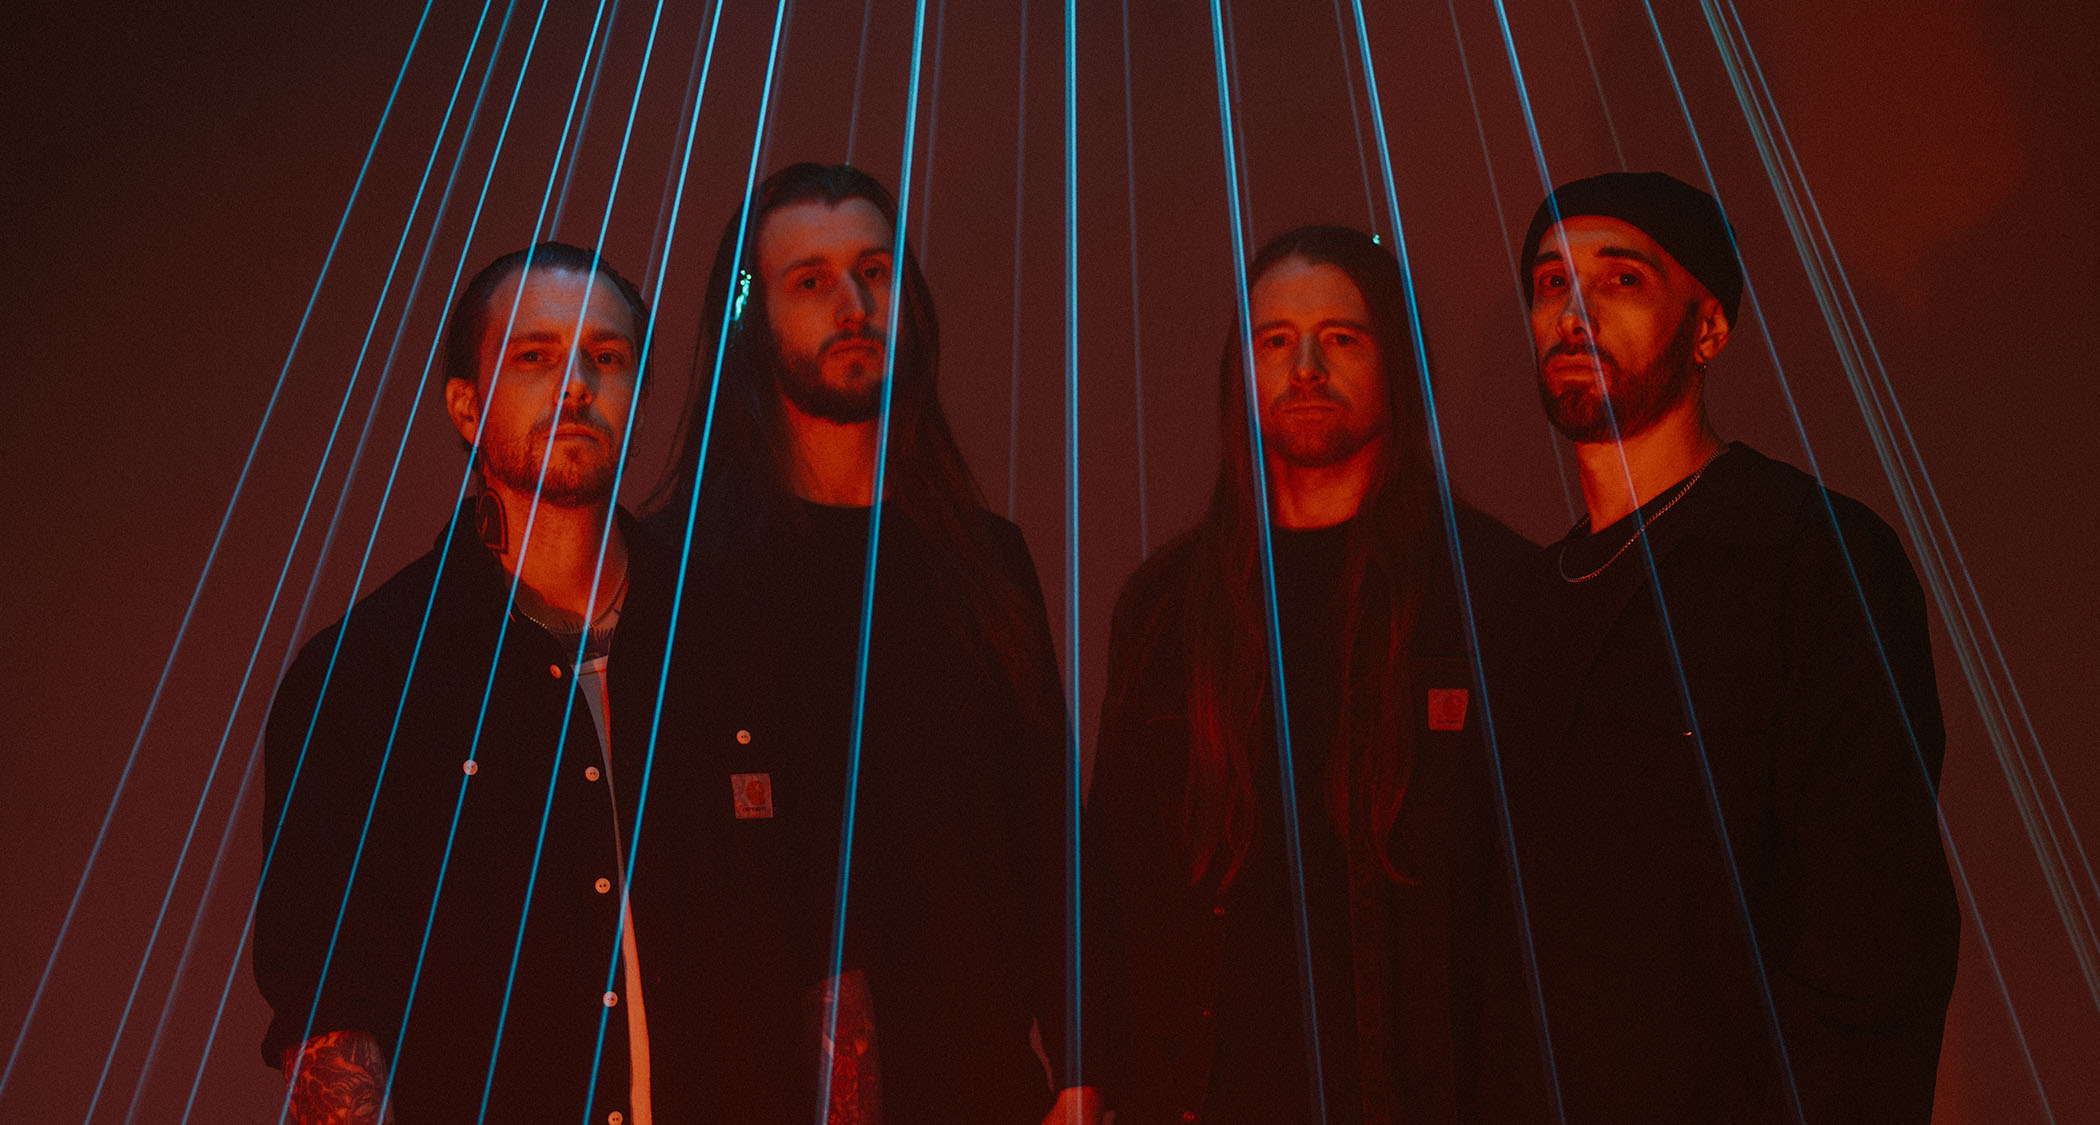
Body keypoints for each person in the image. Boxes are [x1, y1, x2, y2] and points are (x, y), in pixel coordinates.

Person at [1491, 171, 1959, 1120]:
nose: (1572, 311)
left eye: (1619, 280)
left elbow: (1878, 931)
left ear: (1709, 327)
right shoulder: (1521, 601)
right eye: (1549, 283)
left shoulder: (1810, 555)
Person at [1065, 225, 1532, 1124]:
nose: (1305, 365)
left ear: (1395, 360)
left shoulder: (1493, 591)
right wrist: (1095, 1076)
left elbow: (1531, 906)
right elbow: (1114, 871)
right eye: (1275, 339)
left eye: (1341, 337)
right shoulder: (1164, 604)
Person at [642, 162, 1069, 1123]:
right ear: (750, 315)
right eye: (810, 279)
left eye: (873, 271)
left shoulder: (985, 559)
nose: (851, 303)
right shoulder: (680, 576)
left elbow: (1046, 821)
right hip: (763, 1085)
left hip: (983, 1076)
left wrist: (1080, 1064)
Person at [254, 243, 680, 1123]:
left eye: (607, 356)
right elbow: (335, 1002)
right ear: (466, 404)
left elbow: (828, 952)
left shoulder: (726, 640)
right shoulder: (368, 677)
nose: (576, 385)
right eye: (534, 356)